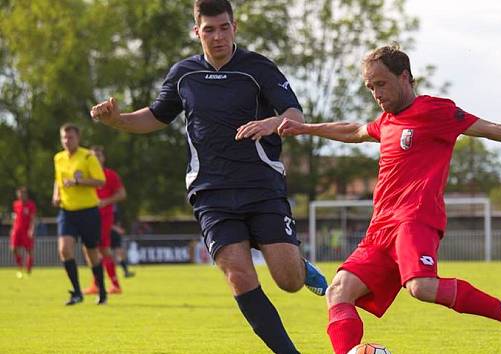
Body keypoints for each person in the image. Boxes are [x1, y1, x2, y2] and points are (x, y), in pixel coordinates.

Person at [278, 45, 501, 354]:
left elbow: (493, 130)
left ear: (404, 77)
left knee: (421, 287)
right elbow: (353, 130)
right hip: (380, 229)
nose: (376, 93)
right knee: (339, 291)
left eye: (381, 83)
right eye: (370, 87)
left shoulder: (437, 111)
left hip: (415, 219)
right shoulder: (387, 121)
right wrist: (304, 128)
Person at [90, 1, 327, 352]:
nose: (218, 36)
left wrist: (271, 122)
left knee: (289, 281)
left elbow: (294, 112)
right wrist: (117, 120)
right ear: (196, 31)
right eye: (209, 29)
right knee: (239, 274)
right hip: (211, 192)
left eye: (224, 27)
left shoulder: (258, 68)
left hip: (261, 186)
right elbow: (156, 116)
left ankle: (292, 259)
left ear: (235, 27)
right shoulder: (183, 74)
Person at [53, 123, 107, 305]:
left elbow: (100, 181)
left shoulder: (87, 157)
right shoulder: (58, 158)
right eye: (64, 137)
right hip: (67, 211)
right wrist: (56, 195)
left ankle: (102, 290)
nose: (67, 141)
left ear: (78, 138)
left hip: (88, 211)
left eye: (70, 137)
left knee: (91, 253)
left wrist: (80, 182)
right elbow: (58, 179)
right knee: (64, 249)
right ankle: (76, 292)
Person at [82, 146, 127, 295]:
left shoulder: (110, 175)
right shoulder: (87, 175)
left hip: (103, 217)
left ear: (103, 158)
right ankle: (96, 283)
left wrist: (106, 201)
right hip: (87, 215)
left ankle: (115, 284)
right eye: (93, 156)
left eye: (98, 156)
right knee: (88, 249)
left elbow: (122, 194)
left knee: (103, 249)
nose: (96, 158)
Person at [9, 187, 37, 278]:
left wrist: (31, 229)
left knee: (29, 249)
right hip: (17, 229)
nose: (21, 196)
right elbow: (15, 217)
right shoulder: (15, 204)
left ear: (26, 194)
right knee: (13, 248)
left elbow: (33, 218)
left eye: (22, 194)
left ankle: (28, 268)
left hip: (26, 230)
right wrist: (12, 229)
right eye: (19, 194)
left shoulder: (31, 205)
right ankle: (20, 265)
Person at [110, 211, 135, 278]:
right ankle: (109, 273)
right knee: (108, 255)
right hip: (110, 235)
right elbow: (107, 223)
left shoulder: (115, 211)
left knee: (120, 254)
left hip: (116, 236)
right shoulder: (108, 209)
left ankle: (126, 271)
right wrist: (117, 229)